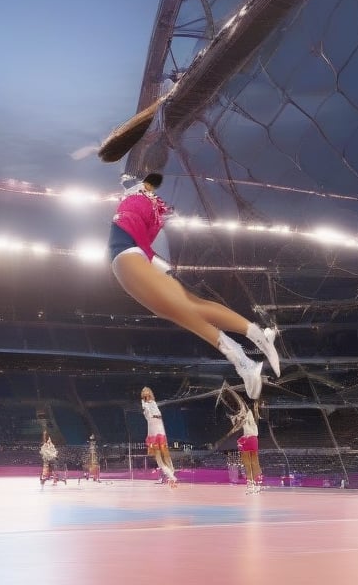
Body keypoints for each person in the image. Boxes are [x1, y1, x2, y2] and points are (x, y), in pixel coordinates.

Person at [108, 172, 280, 400]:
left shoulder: (145, 202)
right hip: (132, 255)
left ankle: (243, 359)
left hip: (126, 258)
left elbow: (143, 234)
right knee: (190, 308)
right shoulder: (148, 206)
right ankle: (257, 336)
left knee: (184, 311)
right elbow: (147, 244)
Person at [223, 386, 264, 494]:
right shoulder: (241, 414)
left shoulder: (246, 413)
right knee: (251, 462)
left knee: (251, 462)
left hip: (248, 437)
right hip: (248, 438)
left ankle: (254, 484)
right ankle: (254, 483)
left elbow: (238, 426)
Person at [140, 387, 178, 487]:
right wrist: (146, 408)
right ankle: (171, 476)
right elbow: (148, 416)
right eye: (144, 393)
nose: (146, 394)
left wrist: (150, 411)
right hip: (153, 431)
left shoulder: (152, 403)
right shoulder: (145, 405)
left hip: (158, 429)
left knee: (165, 455)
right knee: (159, 458)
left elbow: (157, 415)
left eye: (147, 392)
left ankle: (171, 475)